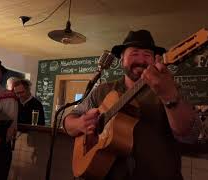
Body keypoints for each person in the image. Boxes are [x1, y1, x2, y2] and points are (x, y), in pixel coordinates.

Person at [63, 30, 200, 180]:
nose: (141, 60)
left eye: (147, 55)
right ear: (122, 59)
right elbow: (68, 122)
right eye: (134, 53)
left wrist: (168, 95)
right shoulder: (101, 91)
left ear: (155, 60)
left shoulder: (170, 88)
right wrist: (80, 123)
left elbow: (190, 135)